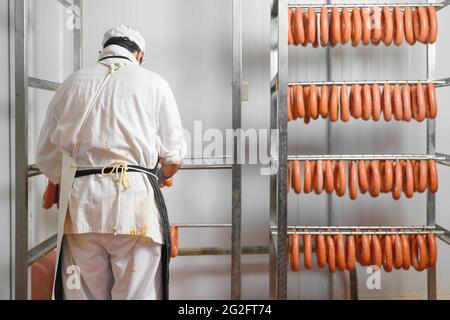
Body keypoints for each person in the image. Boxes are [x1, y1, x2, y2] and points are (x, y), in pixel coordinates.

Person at [36, 25, 187, 300]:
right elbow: (173, 156)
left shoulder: (72, 83)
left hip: (82, 210)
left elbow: (46, 156)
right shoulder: (154, 83)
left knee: (84, 295)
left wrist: (62, 177)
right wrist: (160, 175)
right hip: (137, 209)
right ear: (139, 55)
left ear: (102, 52)